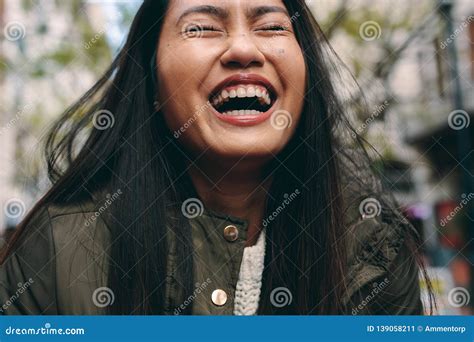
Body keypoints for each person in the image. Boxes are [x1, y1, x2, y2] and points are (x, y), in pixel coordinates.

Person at [0, 0, 434, 315]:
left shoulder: (373, 247)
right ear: (150, 83)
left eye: (271, 26)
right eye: (202, 27)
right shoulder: (56, 253)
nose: (244, 49)